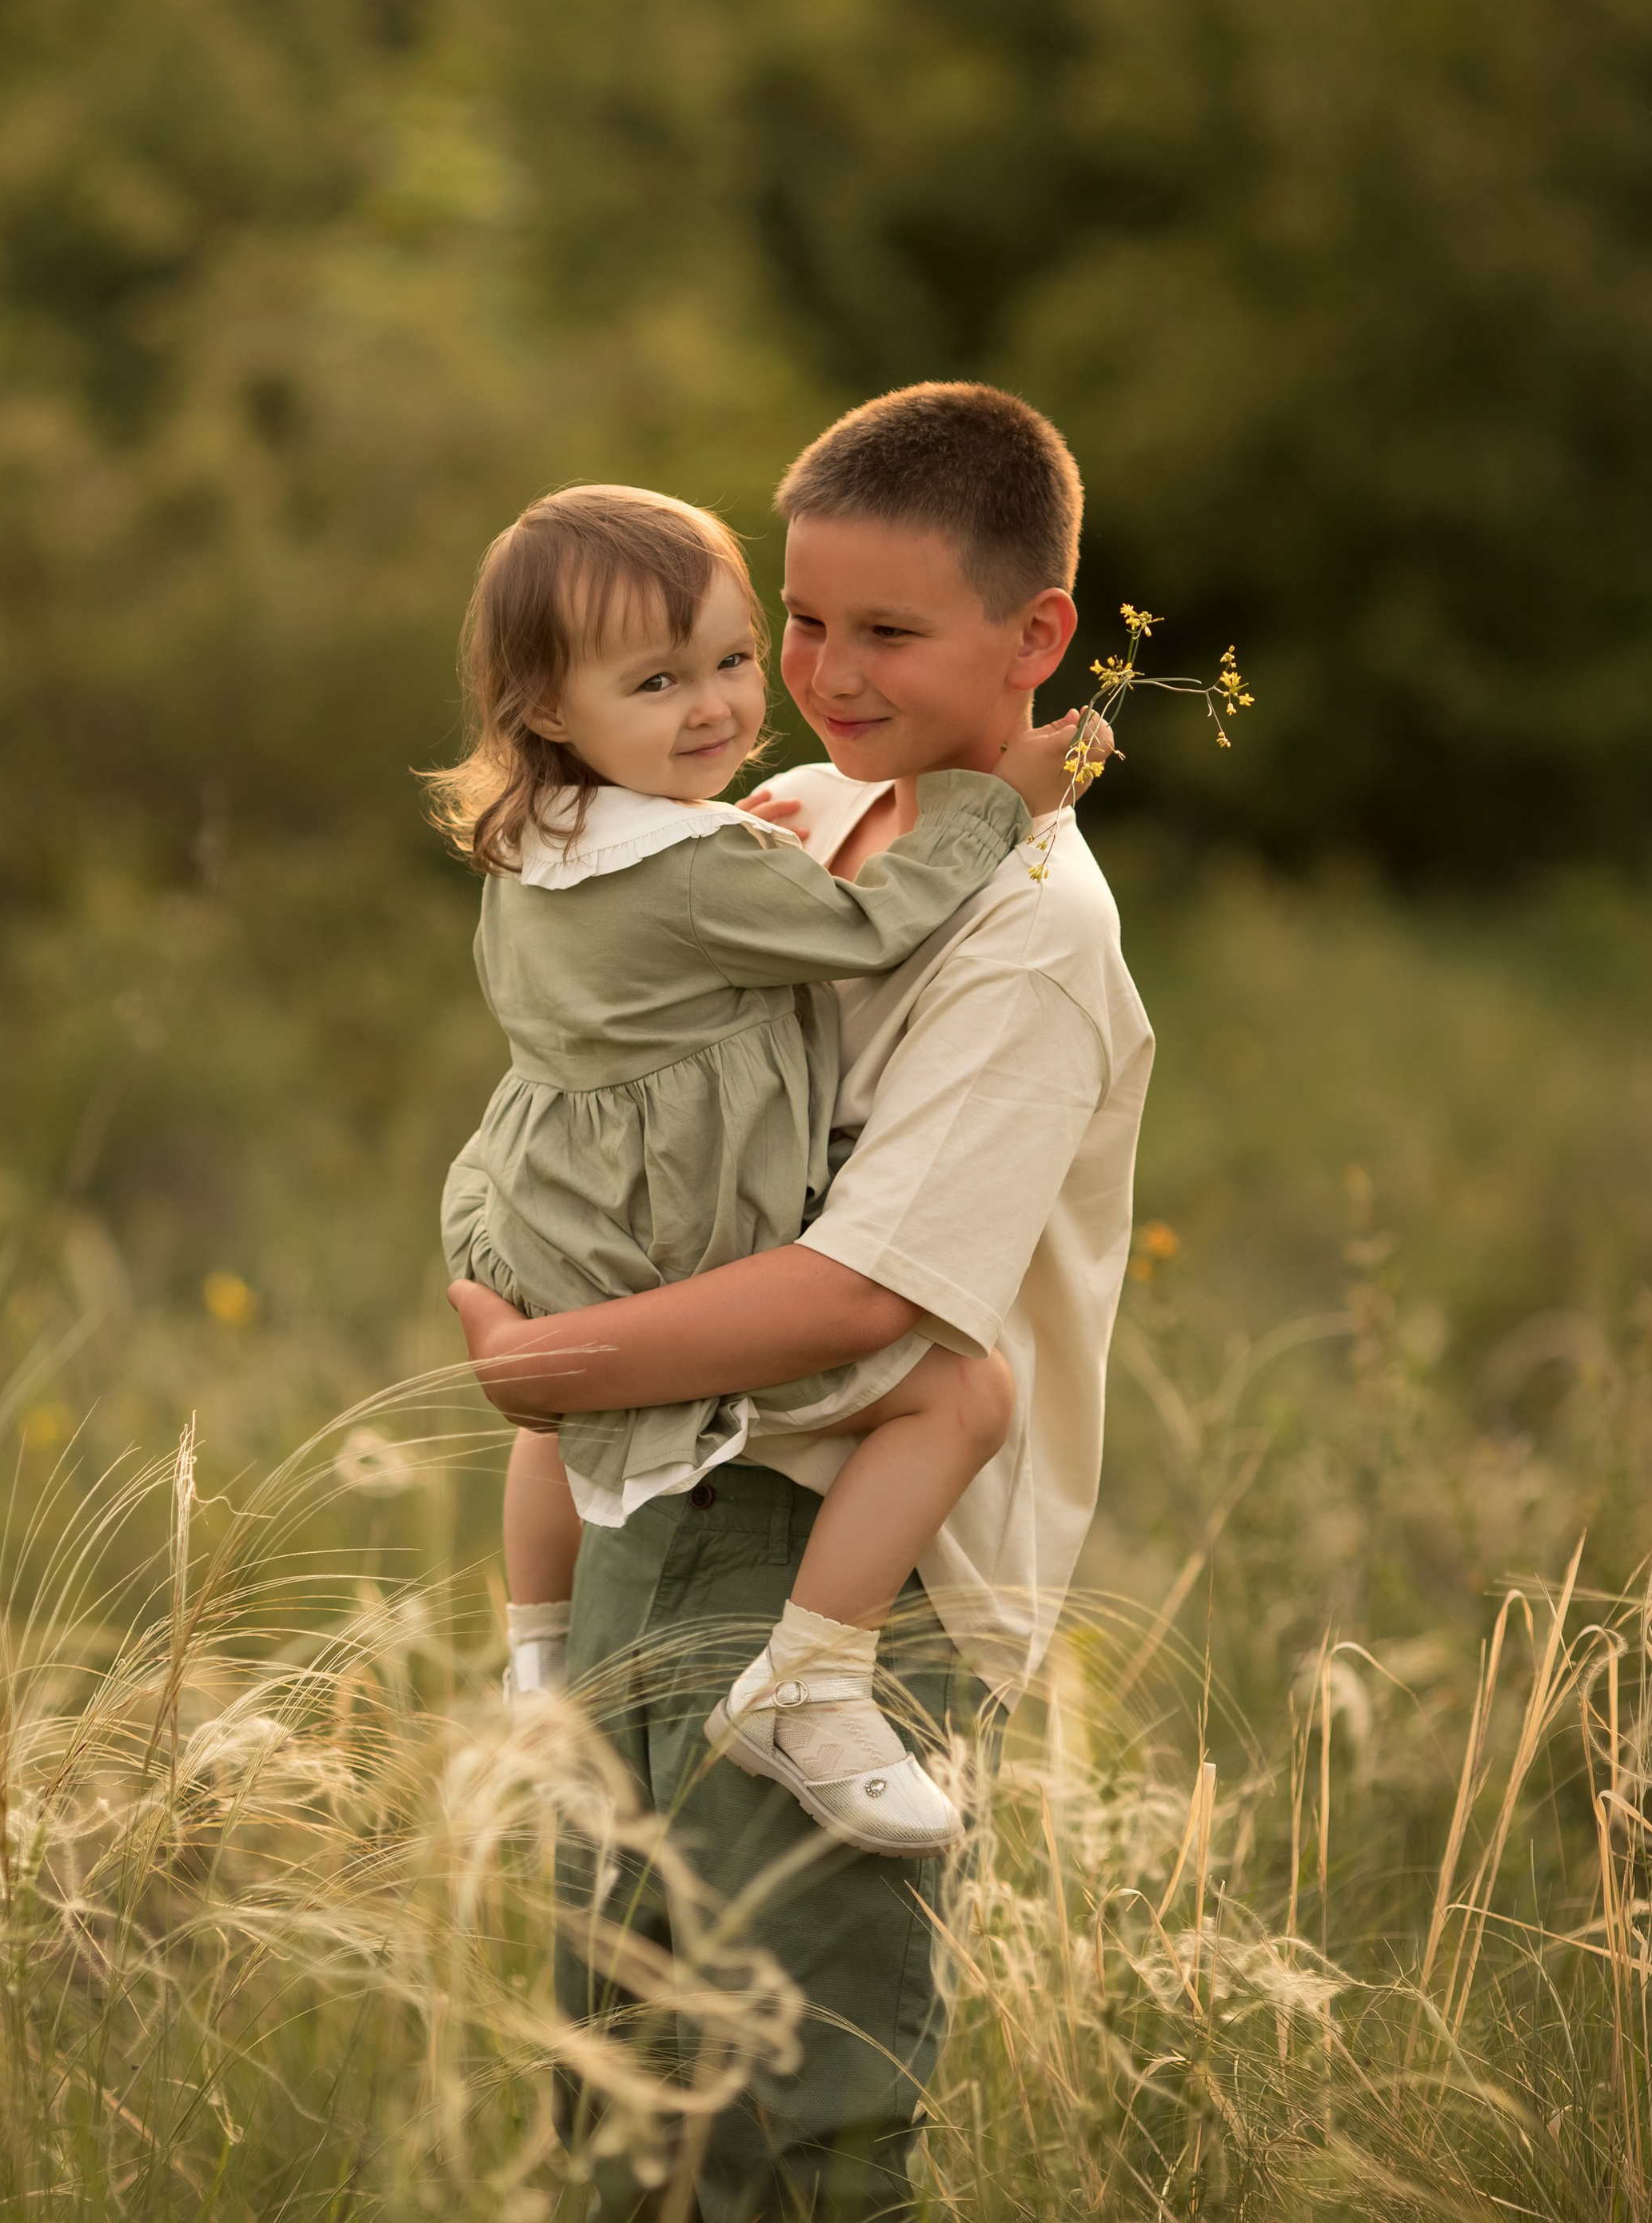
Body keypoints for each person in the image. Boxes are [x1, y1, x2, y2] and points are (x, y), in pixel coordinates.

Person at [449, 382, 1155, 2223]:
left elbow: (857, 1300)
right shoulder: (785, 806)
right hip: (645, 1496)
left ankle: (804, 1703)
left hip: (830, 1554)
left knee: (790, 2124)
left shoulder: (1027, 947)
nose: (824, 677)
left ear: (1038, 636)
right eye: (808, 623)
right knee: (614, 2094)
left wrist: (535, 1358)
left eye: (884, 635)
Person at [431, 481, 1100, 1854]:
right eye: (664, 678)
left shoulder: (550, 835)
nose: (729, 704)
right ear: (551, 709)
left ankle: (533, 1659)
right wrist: (991, 812)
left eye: (732, 660)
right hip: (675, 1264)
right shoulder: (750, 835)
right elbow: (866, 937)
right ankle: (809, 1681)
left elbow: (663, 951)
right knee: (963, 1395)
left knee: (638, 2014)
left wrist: (534, 1367)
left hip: (541, 1206)